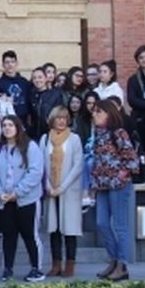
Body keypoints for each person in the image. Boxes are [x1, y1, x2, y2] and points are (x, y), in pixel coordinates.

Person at [0, 115, 46, 282]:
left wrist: (18, 192)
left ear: (18, 127)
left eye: (11, 125)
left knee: (30, 234)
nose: (7, 128)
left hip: (26, 200)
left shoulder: (30, 147)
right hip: (4, 200)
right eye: (4, 125)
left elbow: (35, 172)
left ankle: (36, 268)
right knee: (8, 235)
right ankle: (8, 269)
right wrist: (0, 193)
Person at [88, 99, 137, 281]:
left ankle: (122, 264)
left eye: (99, 111)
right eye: (94, 111)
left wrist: (120, 175)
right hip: (102, 185)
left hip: (118, 185)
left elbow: (131, 159)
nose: (95, 114)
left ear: (109, 114)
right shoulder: (97, 134)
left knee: (120, 226)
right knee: (101, 223)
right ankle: (114, 259)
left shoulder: (119, 133)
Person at [39, 106, 84, 277]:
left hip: (69, 190)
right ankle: (56, 263)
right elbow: (42, 164)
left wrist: (62, 187)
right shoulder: (45, 139)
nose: (61, 121)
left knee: (69, 229)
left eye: (64, 118)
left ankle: (70, 264)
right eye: (58, 118)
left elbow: (77, 165)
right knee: (54, 229)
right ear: (52, 119)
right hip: (51, 190)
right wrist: (49, 186)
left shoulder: (74, 139)